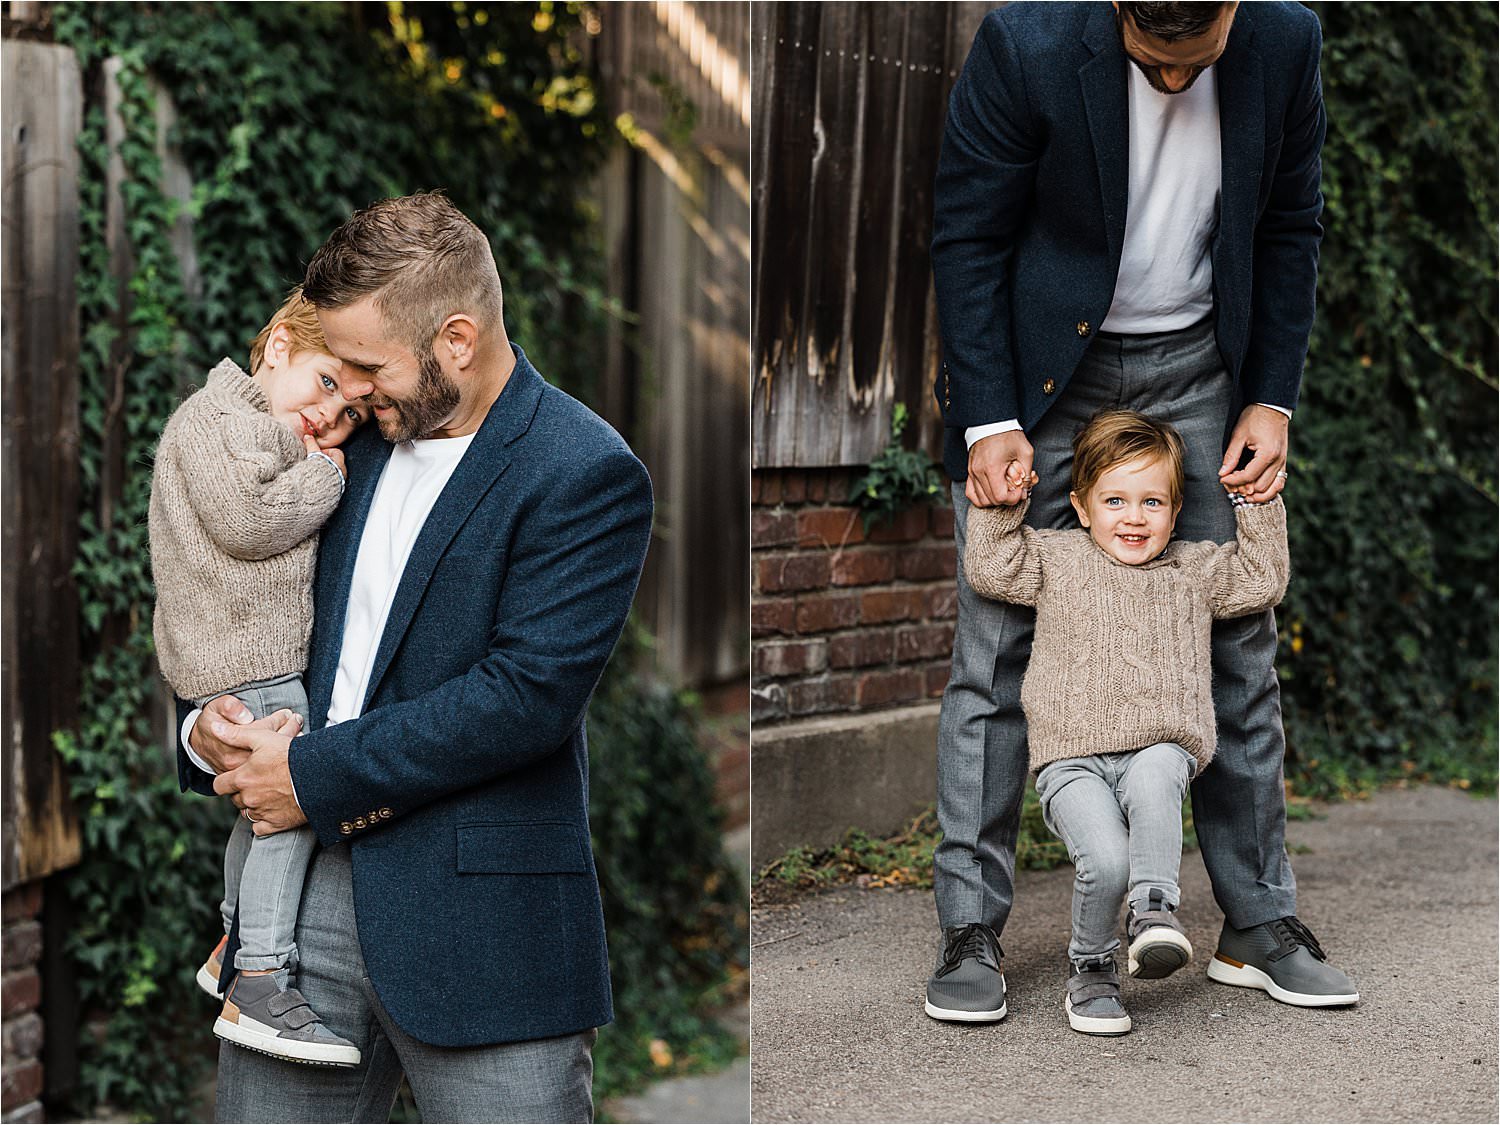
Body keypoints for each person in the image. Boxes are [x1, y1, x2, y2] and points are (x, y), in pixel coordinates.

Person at [175, 192, 653, 1122]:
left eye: (365, 365)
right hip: (299, 906)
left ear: (457, 339)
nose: (345, 390)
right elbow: (236, 601)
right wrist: (205, 730)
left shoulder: (583, 471)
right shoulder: (337, 452)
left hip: (489, 928)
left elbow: (524, 699)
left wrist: (307, 773)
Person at [926, 0, 1358, 1023]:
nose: (1172, 82)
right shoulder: (1025, 43)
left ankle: (1256, 923)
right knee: (993, 655)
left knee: (1240, 645)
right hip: (1042, 373)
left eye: (1193, 59)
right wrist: (988, 420)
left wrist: (1271, 394)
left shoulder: (1287, 43)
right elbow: (969, 230)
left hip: (1202, 362)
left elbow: (1294, 222)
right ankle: (970, 929)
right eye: (1149, 59)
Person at [964, 410, 1343, 1035]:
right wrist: (1006, 499)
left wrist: (1256, 500)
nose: (1134, 517)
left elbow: (1262, 578)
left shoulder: (1194, 569)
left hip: (1157, 750)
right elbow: (992, 567)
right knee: (1106, 863)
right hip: (1073, 760)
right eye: (1115, 500)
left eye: (1152, 502)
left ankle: (1154, 914)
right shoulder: (1056, 559)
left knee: (1162, 763)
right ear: (1082, 507)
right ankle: (1091, 969)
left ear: (1175, 510)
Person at [149, 288, 369, 1066]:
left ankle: (235, 938)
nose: (330, 421)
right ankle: (262, 977)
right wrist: (325, 478)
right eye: (326, 385)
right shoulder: (220, 421)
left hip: (245, 658)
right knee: (290, 809)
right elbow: (247, 520)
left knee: (258, 813)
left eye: (348, 415)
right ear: (277, 347)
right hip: (248, 661)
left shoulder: (242, 424)